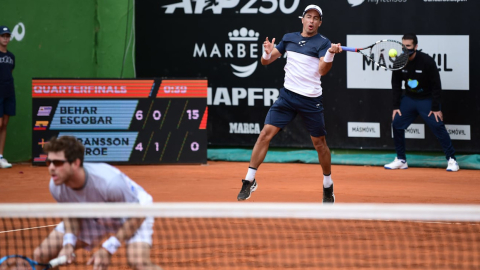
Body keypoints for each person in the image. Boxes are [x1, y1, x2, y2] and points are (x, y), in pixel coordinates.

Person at [236, 4, 343, 203]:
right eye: (308, 17)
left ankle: (327, 184)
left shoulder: (323, 42)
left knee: (320, 144)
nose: (311, 21)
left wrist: (330, 54)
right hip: (287, 97)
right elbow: (266, 62)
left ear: (320, 22)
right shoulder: (289, 38)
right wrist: (267, 53)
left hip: (310, 100)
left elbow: (322, 70)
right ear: (302, 19)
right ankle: (249, 180)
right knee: (264, 134)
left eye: (315, 18)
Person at [33, 136, 163, 270]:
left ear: (76, 163)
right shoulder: (56, 185)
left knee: (139, 262)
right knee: (41, 254)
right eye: (49, 162)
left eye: (58, 163)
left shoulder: (109, 183)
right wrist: (68, 244)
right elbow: (71, 215)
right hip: (93, 215)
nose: (52, 168)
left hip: (131, 212)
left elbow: (137, 215)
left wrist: (108, 249)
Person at [385, 33, 459, 172]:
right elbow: (396, 85)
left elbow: (436, 85)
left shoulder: (427, 61)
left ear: (416, 46)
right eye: (403, 46)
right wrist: (396, 106)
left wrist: (436, 107)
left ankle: (452, 159)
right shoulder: (399, 61)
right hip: (409, 99)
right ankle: (401, 160)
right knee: (397, 123)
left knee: (438, 125)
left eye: (408, 46)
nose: (405, 49)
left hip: (427, 99)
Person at [0, 26, 15, 169]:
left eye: (7, 36)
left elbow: (9, 72)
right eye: (2, 36)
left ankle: (0, 156)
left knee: (4, 124)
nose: (5, 38)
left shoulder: (11, 57)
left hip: (9, 93)